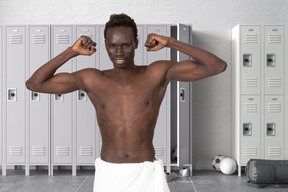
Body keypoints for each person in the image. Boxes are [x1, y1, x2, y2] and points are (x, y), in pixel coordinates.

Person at [26, 13, 227, 192]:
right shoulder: (92, 79)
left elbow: (217, 66)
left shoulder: (156, 73)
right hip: (109, 174)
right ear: (105, 45)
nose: (119, 53)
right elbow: (35, 83)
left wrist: (170, 42)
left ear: (136, 43)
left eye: (125, 45)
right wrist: (72, 51)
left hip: (147, 173)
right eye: (112, 46)